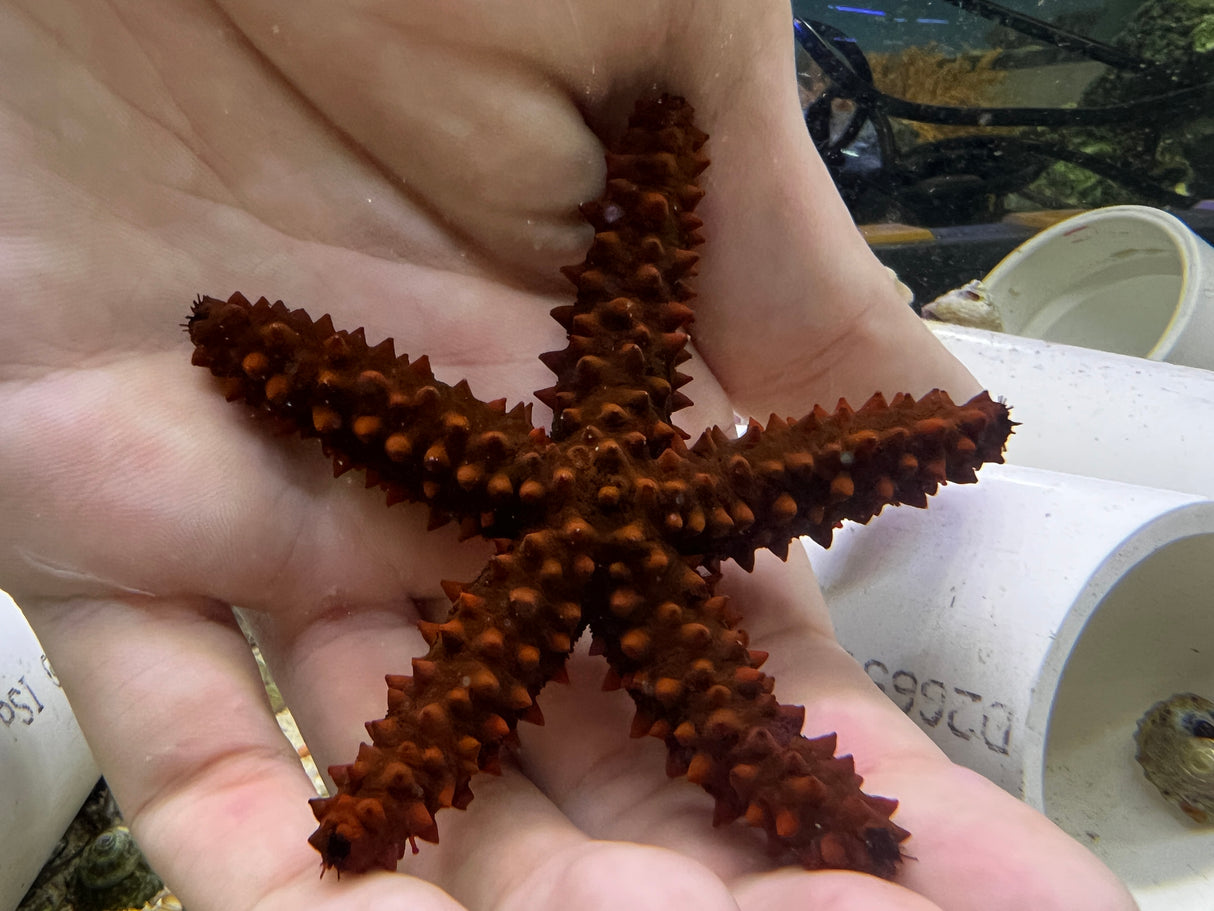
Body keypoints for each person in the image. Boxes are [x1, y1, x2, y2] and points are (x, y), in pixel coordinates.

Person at [0, 2, 1137, 909]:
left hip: (580, 520)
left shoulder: (566, 522)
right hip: (599, 518)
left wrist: (376, 805)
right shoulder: (605, 483)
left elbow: (404, 411)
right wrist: (944, 434)